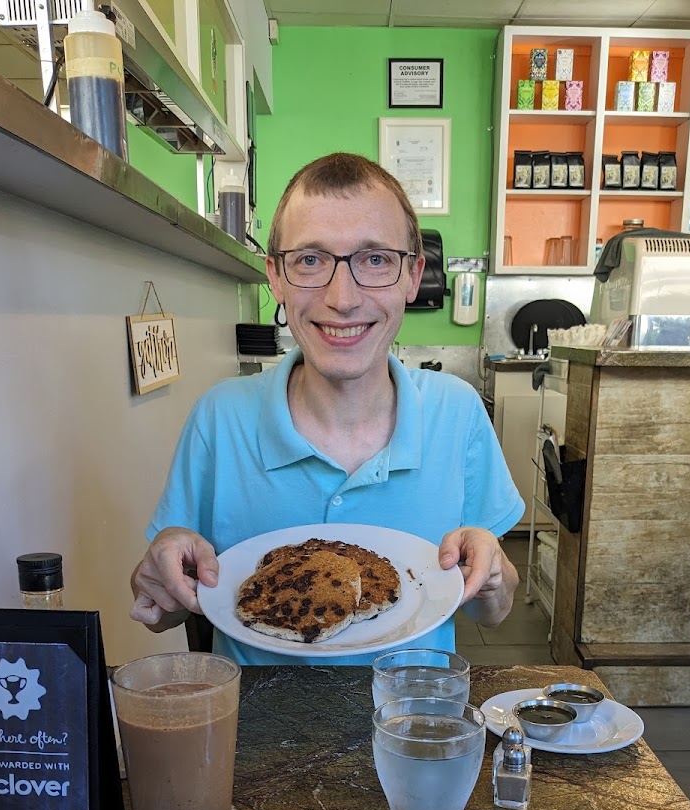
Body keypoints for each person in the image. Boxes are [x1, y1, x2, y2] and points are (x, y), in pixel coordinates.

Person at [130, 152, 524, 664]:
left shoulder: (458, 413)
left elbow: (493, 611)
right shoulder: (220, 419)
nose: (342, 298)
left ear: (412, 276)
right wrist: (155, 578)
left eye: (375, 259)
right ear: (275, 277)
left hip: (411, 729)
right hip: (258, 733)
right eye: (311, 260)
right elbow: (166, 613)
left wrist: (493, 577)